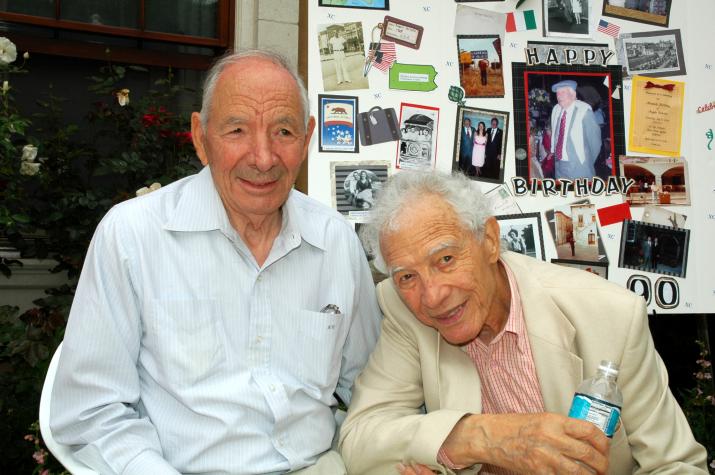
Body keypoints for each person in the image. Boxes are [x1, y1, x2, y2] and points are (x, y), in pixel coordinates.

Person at [50, 50, 382, 475]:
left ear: (307, 139)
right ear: (200, 138)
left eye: (283, 131)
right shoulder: (133, 236)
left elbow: (372, 387)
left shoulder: (334, 240)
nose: (263, 158)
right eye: (237, 130)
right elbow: (90, 410)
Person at [339, 171, 707, 474]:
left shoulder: (611, 315)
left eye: (446, 259)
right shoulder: (403, 307)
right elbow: (359, 439)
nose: (432, 296)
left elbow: (677, 465)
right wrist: (477, 437)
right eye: (407, 277)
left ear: (490, 242)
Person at [549, 80, 602, 180]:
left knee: (581, 194)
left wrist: (586, 161)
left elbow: (595, 143)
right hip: (559, 165)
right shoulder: (556, 110)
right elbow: (555, 135)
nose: (559, 96)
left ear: (573, 94)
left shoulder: (584, 111)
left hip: (579, 166)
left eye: (562, 92)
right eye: (557, 93)